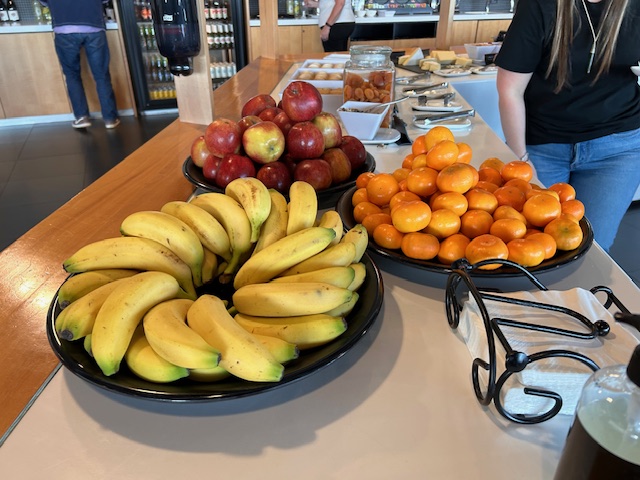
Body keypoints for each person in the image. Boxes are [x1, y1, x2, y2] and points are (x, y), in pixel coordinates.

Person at [495, 0, 640, 252]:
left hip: (618, 150)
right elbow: (510, 90)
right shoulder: (541, 5)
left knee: (593, 249)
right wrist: (521, 157)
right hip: (542, 148)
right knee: (535, 247)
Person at [41, 0, 120, 129]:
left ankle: (82, 117)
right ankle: (110, 119)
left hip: (64, 30)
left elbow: (45, 3)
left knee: (72, 75)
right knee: (101, 75)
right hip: (94, 27)